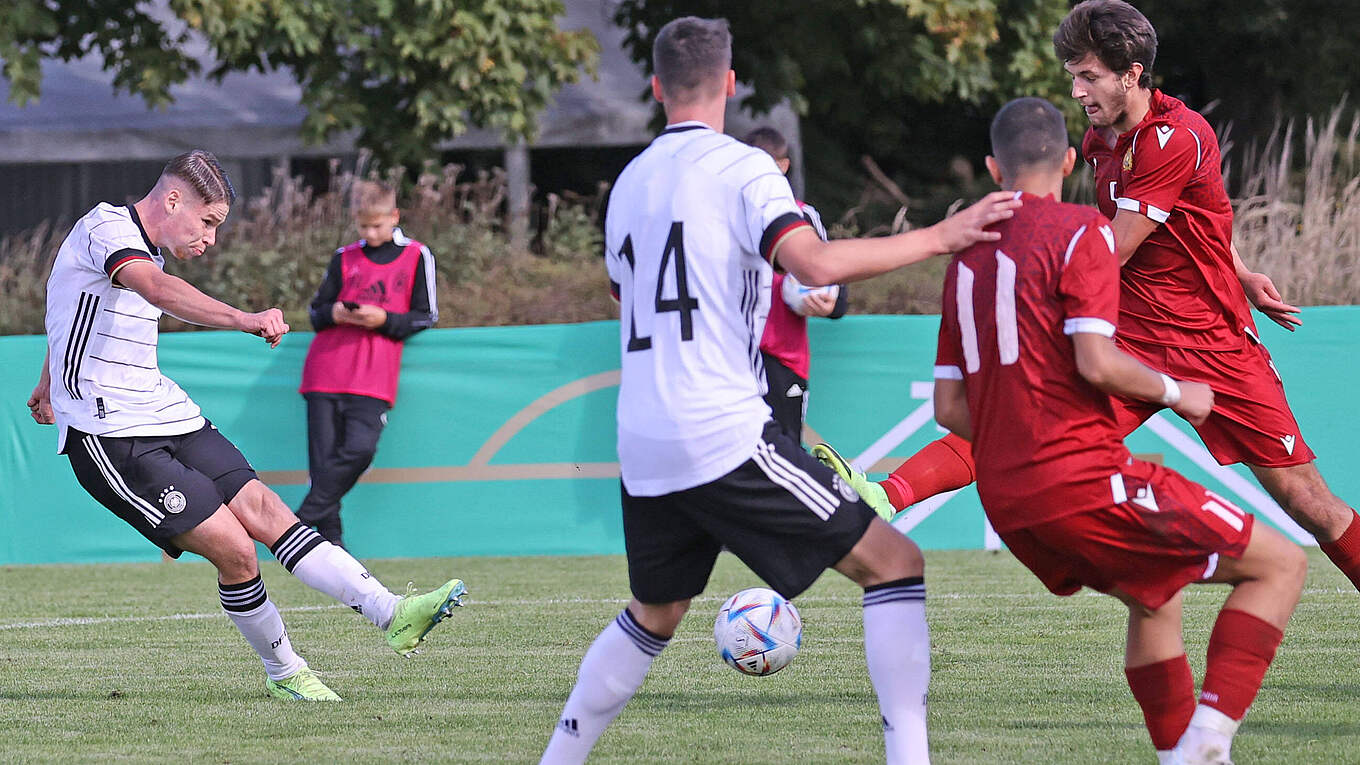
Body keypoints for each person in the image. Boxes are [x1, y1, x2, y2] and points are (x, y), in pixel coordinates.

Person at [537, 17, 1021, 765]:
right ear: (730, 84)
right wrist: (939, 236)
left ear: (657, 86)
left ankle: (558, 756)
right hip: (719, 428)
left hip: (642, 436)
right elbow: (814, 265)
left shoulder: (628, 183)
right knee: (895, 563)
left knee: (656, 611)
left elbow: (620, 289)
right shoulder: (742, 169)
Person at [820, 0, 1360, 583]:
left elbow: (1116, 246)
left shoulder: (1176, 137)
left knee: (1309, 503)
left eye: (1088, 76)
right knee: (1023, 419)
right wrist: (1242, 268)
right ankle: (881, 496)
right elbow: (1186, 221)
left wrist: (1032, 265)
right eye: (1073, 75)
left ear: (1131, 74)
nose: (1077, 90)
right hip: (1128, 334)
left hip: (1213, 345)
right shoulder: (1101, 138)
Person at [935, 96, 1304, 765]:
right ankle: (1208, 742)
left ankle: (1180, 756)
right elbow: (1098, 363)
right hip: (1081, 481)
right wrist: (1179, 390)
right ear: (1071, 161)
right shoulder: (1083, 233)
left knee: (1153, 595)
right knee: (1281, 565)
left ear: (993, 168)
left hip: (1008, 501)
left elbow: (950, 408)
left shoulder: (964, 260)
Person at [25, 151, 465, 702]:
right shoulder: (107, 228)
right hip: (109, 434)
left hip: (168, 413)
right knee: (237, 551)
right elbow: (156, 294)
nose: (209, 239)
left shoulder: (144, 254)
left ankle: (392, 613)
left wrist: (47, 377)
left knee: (266, 509)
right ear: (172, 200)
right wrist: (245, 318)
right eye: (208, 223)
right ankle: (286, 673)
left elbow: (66, 306)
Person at [296, 180, 438, 548]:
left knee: (360, 450)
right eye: (363, 226)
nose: (370, 233)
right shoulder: (344, 257)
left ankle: (296, 524)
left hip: (373, 377)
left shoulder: (417, 255)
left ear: (395, 217)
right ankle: (332, 550)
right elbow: (316, 313)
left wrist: (384, 320)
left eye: (377, 225)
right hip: (325, 371)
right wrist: (338, 312)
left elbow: (426, 315)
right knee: (322, 466)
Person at [742, 126, 850, 446]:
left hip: (784, 359)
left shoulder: (804, 216)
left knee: (785, 452)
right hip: (734, 356)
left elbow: (836, 291)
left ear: (784, 166)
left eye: (768, 168)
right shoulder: (726, 215)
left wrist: (831, 303)